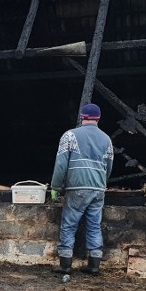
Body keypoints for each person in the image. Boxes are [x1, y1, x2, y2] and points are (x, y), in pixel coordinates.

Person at [49, 103, 114, 276]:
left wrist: (55, 186)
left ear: (81, 117)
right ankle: (94, 266)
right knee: (94, 226)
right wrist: (101, 183)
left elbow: (61, 164)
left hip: (77, 187)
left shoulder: (70, 136)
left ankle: (65, 266)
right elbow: (109, 167)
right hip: (98, 189)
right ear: (99, 118)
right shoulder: (107, 139)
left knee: (69, 224)